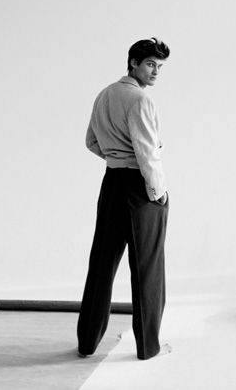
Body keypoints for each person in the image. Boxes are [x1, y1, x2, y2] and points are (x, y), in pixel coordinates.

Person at [77, 37, 170, 360]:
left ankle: (86, 343)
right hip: (138, 188)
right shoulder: (140, 100)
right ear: (132, 62)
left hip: (111, 183)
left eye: (159, 66)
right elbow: (147, 155)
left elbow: (91, 141)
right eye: (150, 64)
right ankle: (148, 348)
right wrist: (158, 193)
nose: (155, 71)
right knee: (147, 269)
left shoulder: (104, 95)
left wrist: (114, 155)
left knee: (101, 265)